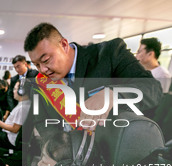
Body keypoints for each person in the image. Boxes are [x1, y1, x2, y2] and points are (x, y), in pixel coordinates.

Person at [23, 23, 162, 132]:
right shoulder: (42, 81)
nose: (43, 69)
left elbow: (152, 88)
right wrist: (53, 149)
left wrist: (112, 94)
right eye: (36, 65)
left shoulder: (108, 54)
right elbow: (41, 121)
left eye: (46, 60)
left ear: (64, 45)